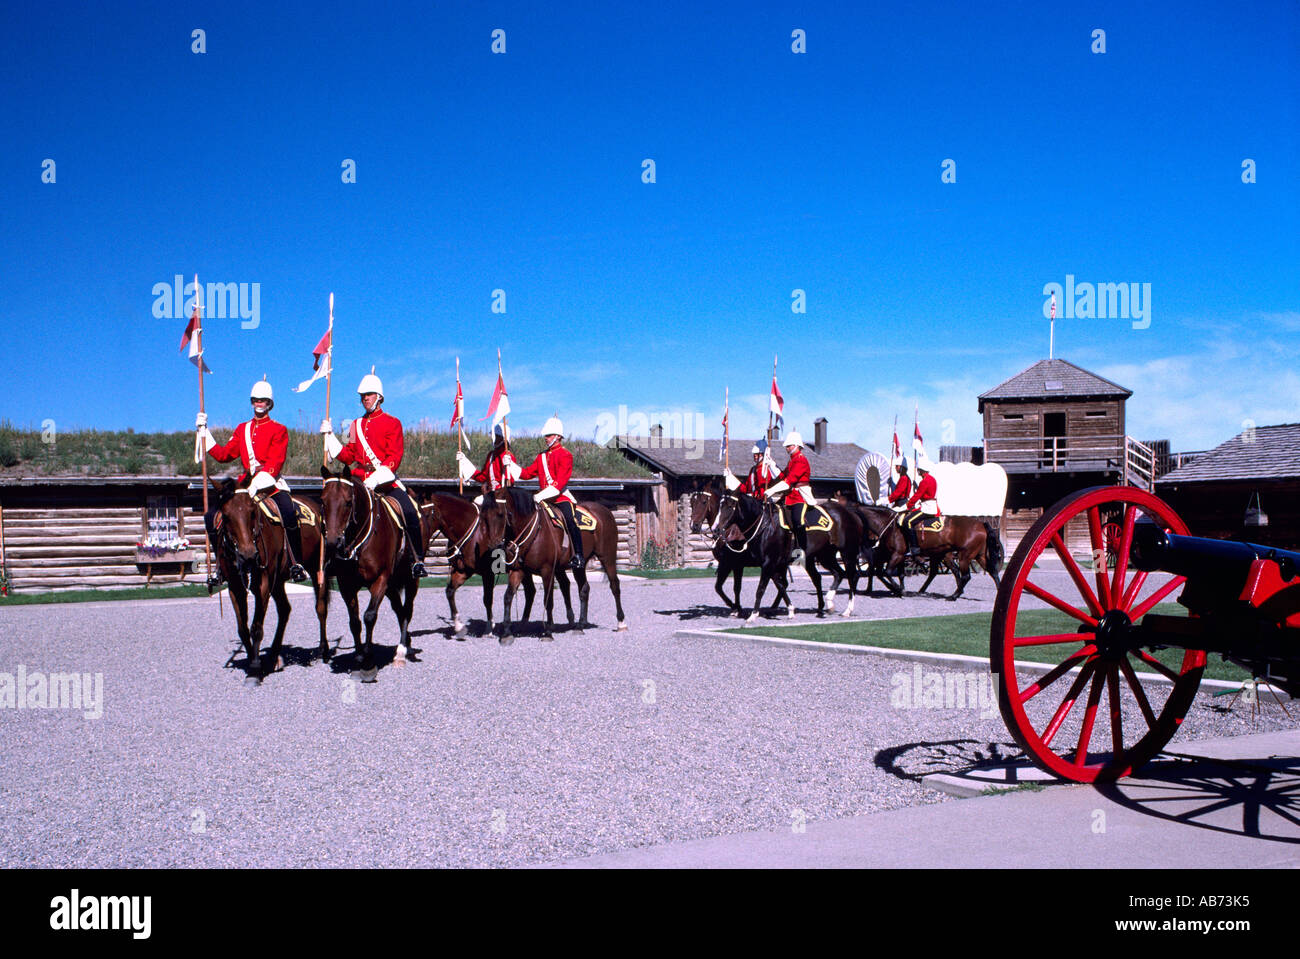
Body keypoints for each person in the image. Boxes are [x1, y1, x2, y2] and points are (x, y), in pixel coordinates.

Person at [196, 379, 307, 582]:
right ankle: (221, 568)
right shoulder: (242, 429)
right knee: (212, 516)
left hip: (270, 484)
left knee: (289, 512)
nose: (259, 403)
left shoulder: (279, 429)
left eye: (263, 400)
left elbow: (275, 463)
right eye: (255, 400)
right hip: (245, 486)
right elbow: (223, 455)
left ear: (269, 403)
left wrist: (258, 482)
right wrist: (205, 433)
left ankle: (295, 563)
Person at [320, 372, 427, 579]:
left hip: (385, 482)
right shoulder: (354, 425)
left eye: (368, 395)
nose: (364, 399)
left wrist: (375, 478)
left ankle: (417, 560)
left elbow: (394, 458)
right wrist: (331, 437)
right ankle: (334, 559)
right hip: (359, 481)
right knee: (336, 509)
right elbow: (348, 455)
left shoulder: (392, 423)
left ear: (379, 396)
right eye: (362, 396)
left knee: (410, 511)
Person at [514, 416, 583, 570]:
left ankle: (578, 555)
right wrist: (510, 465)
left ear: (558, 436)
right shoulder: (541, 457)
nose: (546, 438)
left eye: (549, 435)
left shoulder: (566, 455)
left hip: (560, 498)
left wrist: (539, 495)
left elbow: (559, 484)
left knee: (570, 520)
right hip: (544, 500)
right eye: (546, 435)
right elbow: (526, 474)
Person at [764, 431, 817, 558]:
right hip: (789, 496)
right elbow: (782, 476)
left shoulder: (801, 460)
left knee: (797, 520)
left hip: (800, 496)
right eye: (787, 446)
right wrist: (771, 464)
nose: (787, 448)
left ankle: (803, 550)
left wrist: (771, 490)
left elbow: (789, 481)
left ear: (797, 445)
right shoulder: (792, 461)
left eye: (789, 445)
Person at [456, 424, 517, 505]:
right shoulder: (491, 455)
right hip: (491, 495)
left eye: (496, 436)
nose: (494, 438)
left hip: (503, 497)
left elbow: (510, 482)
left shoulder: (508, 457)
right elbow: (483, 477)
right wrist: (464, 462)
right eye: (494, 436)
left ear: (503, 439)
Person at [902, 457, 940, 557]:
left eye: (918, 470)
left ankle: (915, 548)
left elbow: (918, 495)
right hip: (929, 505)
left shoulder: (925, 481)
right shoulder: (932, 479)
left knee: (907, 521)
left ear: (921, 470)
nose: (918, 471)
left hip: (927, 508)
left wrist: (907, 505)